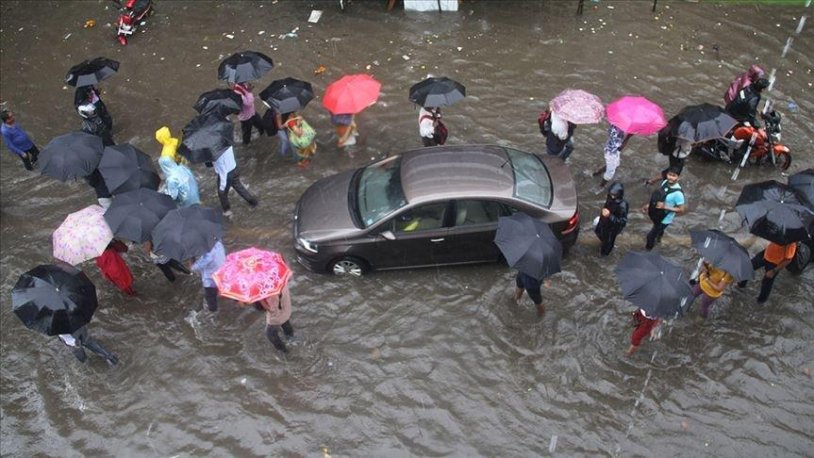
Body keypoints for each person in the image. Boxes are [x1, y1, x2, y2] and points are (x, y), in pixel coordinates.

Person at [642, 166, 685, 251]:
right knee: (658, 230)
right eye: (669, 175)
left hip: (665, 218)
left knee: (650, 236)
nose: (671, 178)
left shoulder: (678, 194)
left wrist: (665, 207)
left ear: (678, 178)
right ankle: (659, 239)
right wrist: (649, 205)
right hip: (657, 213)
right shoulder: (665, 182)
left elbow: (681, 210)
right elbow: (659, 197)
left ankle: (648, 250)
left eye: (674, 176)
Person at [156, 127, 200, 207]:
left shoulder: (171, 180)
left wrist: (163, 193)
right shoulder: (184, 169)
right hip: (193, 194)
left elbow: (173, 196)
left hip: (186, 203)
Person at [210, 145, 258, 218]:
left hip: (226, 173)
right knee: (238, 186)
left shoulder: (216, 153)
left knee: (222, 194)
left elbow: (223, 172)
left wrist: (222, 187)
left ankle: (227, 212)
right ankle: (253, 202)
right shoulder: (226, 141)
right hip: (234, 167)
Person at [254, 283, 295, 353]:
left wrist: (260, 300)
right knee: (285, 321)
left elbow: (270, 309)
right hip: (285, 306)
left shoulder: (267, 292)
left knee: (270, 333)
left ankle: (284, 351)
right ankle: (291, 339)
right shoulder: (280, 280)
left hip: (276, 314)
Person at [594, 181, 629, 256]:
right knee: (601, 235)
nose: (611, 196)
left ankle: (604, 255)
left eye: (614, 195)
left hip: (612, 228)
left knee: (607, 245)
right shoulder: (610, 199)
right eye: (611, 194)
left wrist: (609, 216)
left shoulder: (622, 206)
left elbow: (622, 221)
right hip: (604, 224)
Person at [190, 240, 226, 312]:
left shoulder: (207, 255)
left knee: (211, 301)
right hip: (222, 274)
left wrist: (192, 261)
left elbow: (195, 267)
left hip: (211, 281)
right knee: (223, 291)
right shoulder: (218, 243)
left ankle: (213, 312)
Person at [593, 124, 632, 189]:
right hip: (612, 153)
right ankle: (601, 187)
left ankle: (597, 173)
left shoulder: (615, 125)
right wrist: (629, 136)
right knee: (609, 174)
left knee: (614, 165)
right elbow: (620, 148)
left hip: (609, 149)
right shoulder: (618, 135)